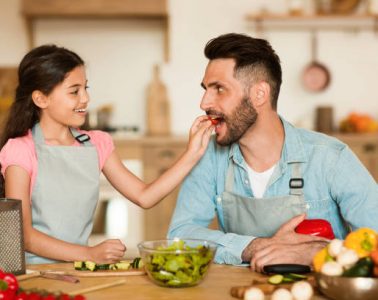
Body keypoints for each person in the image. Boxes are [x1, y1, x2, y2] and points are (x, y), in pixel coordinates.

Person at [168, 33, 378, 272]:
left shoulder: (331, 158)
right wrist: (254, 246)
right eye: (206, 89)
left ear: (259, 94)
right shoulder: (209, 158)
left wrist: (317, 251)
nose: (204, 103)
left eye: (219, 89)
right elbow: (181, 234)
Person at [0, 44, 214, 264]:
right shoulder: (21, 150)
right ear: (41, 99)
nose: (85, 99)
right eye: (74, 91)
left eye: (85, 88)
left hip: (76, 270)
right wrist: (89, 254)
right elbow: (23, 236)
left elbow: (145, 196)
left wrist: (192, 153)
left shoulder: (97, 143)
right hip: (31, 275)